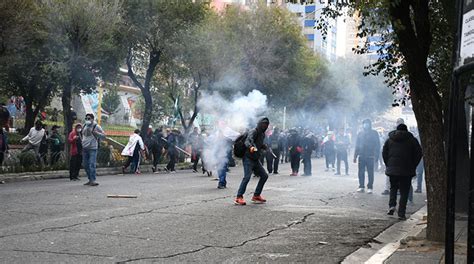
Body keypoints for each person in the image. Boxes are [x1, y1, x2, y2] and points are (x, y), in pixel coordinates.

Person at [383, 124, 422, 220]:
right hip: (407, 170)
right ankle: (401, 212)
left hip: (393, 169)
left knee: (393, 187)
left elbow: (384, 153)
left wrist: (389, 164)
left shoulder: (389, 140)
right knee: (404, 191)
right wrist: (413, 165)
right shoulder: (412, 140)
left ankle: (392, 205)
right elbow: (418, 154)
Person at [234, 117, 270, 205]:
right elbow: (248, 141)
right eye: (263, 123)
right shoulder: (253, 131)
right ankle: (239, 197)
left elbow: (258, 143)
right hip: (248, 158)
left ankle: (256, 195)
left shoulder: (262, 134)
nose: (265, 125)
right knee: (247, 177)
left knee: (264, 175)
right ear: (259, 123)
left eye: (266, 124)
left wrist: (262, 146)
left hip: (255, 158)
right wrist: (251, 147)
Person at [354, 119, 380, 194]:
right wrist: (355, 156)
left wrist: (376, 156)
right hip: (361, 156)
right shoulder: (360, 133)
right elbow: (357, 145)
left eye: (367, 123)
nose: (366, 125)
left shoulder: (374, 133)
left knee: (370, 172)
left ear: (370, 124)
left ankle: (370, 187)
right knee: (361, 172)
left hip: (370, 156)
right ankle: (361, 186)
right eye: (364, 123)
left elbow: (377, 145)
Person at [82, 113, 105, 186]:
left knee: (91, 164)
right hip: (85, 148)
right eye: (86, 119)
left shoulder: (96, 126)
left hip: (93, 148)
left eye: (89, 118)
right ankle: (89, 179)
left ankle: (93, 180)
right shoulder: (84, 125)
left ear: (92, 119)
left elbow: (104, 136)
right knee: (85, 165)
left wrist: (96, 133)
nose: (87, 120)